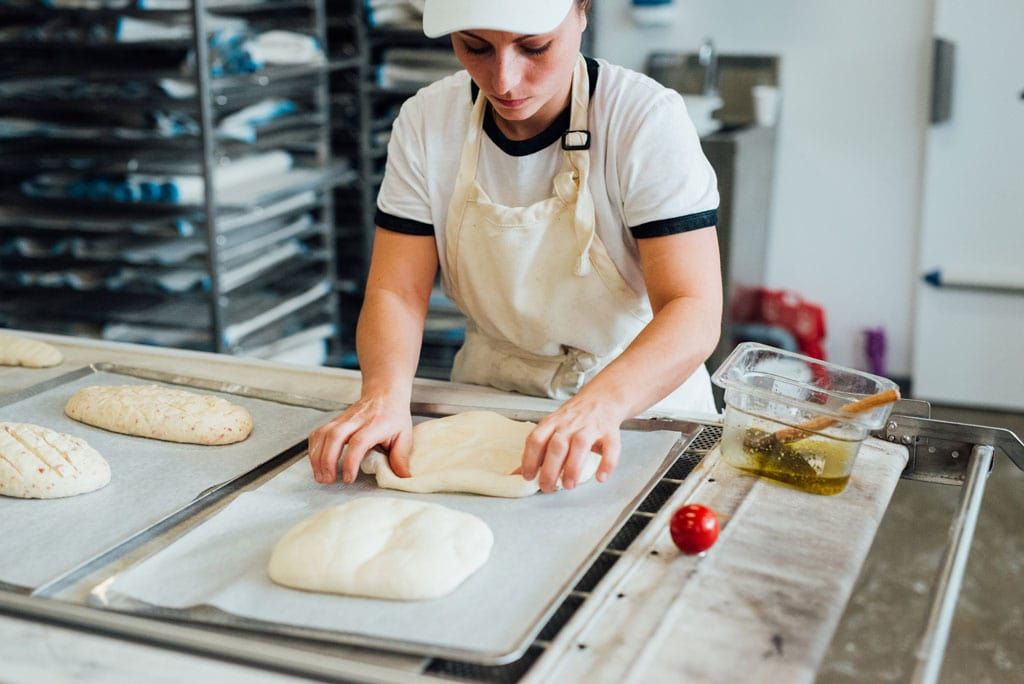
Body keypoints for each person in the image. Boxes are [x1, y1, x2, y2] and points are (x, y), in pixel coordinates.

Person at [309, 0, 722, 492]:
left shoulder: (643, 121)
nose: (504, 80)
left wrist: (601, 404)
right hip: (490, 396)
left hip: (637, 409)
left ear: (582, 13)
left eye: (535, 47)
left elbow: (692, 308)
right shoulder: (427, 121)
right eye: (475, 46)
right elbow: (397, 291)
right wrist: (382, 395)